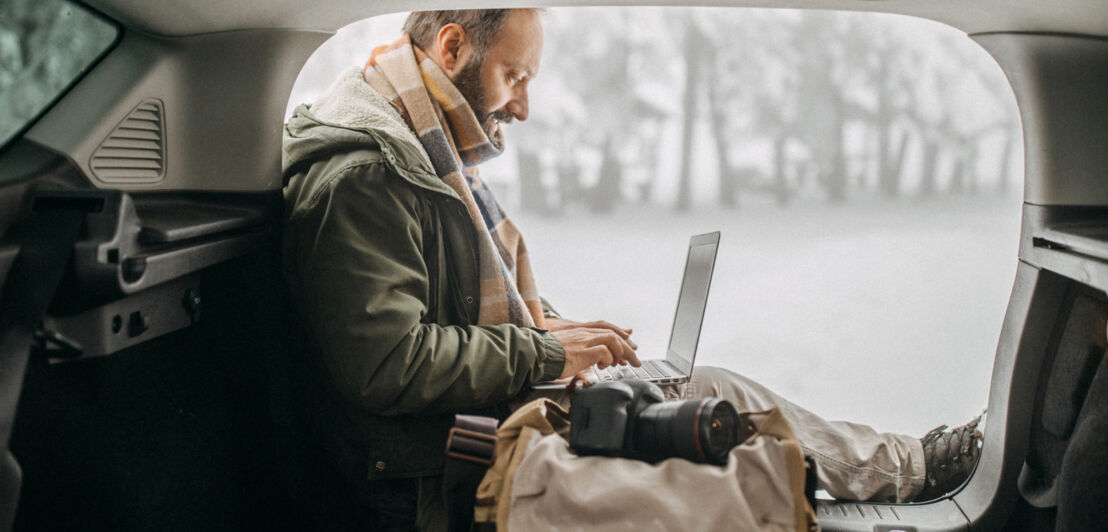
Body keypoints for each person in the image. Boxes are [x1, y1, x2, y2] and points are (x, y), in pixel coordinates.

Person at [281, 8, 983, 530]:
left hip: (480, 411)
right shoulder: (368, 175)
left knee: (710, 388)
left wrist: (550, 322)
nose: (521, 104)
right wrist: (544, 349)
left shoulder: (420, 147)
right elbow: (385, 364)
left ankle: (905, 465)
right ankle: (902, 471)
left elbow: (456, 291)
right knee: (717, 428)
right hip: (435, 468)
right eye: (513, 76)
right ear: (453, 46)